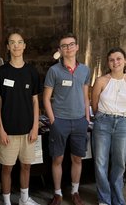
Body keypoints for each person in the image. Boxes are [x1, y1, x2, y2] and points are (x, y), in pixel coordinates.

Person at [0, 29, 42, 205]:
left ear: (24, 46)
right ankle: (6, 201)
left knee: (26, 166)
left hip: (28, 130)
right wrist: (1, 130)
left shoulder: (32, 72)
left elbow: (35, 102)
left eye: (19, 42)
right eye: (12, 42)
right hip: (8, 132)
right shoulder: (1, 72)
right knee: (6, 168)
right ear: (8, 47)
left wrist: (35, 127)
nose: (16, 45)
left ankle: (24, 199)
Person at [43, 33, 91, 205]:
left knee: (77, 158)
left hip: (79, 121)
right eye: (64, 46)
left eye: (71, 44)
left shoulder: (85, 70)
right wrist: (53, 120)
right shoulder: (54, 71)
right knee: (58, 159)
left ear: (77, 47)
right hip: (60, 121)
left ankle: (75, 191)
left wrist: (87, 117)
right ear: (60, 50)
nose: (68, 48)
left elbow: (86, 96)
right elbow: (46, 98)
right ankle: (57, 194)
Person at [91, 47, 126, 205]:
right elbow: (95, 104)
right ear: (108, 63)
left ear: (125, 60)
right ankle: (104, 198)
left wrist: (121, 116)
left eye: (118, 59)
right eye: (111, 60)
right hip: (102, 122)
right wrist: (105, 117)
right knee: (100, 161)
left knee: (120, 162)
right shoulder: (101, 81)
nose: (115, 62)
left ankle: (118, 198)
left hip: (123, 124)